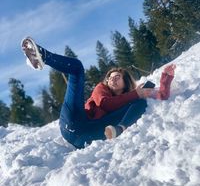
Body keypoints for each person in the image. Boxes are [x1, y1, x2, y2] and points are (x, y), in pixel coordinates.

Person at [21, 37, 176, 149]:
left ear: (126, 82)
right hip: (73, 121)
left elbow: (162, 95)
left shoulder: (128, 99)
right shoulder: (101, 89)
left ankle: (119, 129)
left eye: (117, 77)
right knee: (77, 69)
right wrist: (137, 93)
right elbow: (105, 104)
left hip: (90, 134)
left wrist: (166, 78)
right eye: (110, 78)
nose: (111, 80)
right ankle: (42, 55)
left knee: (141, 103)